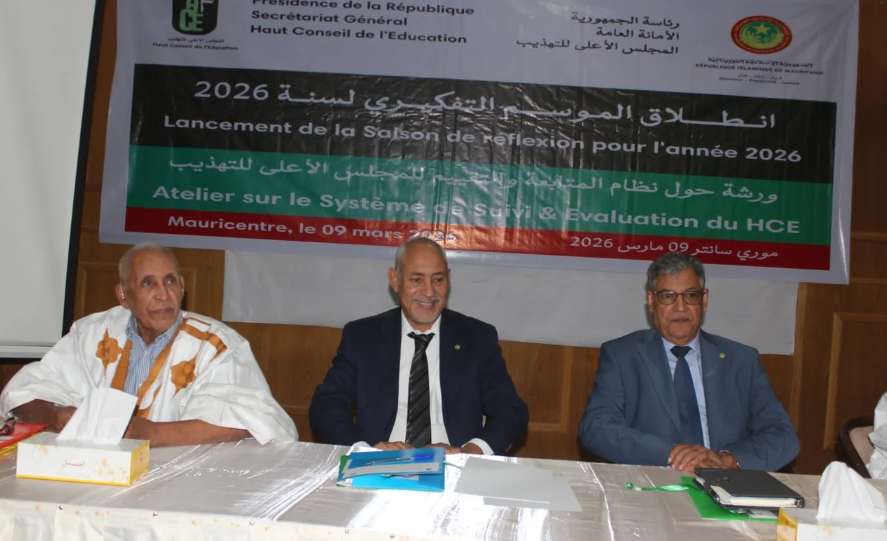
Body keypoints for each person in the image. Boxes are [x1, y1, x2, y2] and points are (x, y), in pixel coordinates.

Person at [0, 242, 297, 446]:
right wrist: (56, 415)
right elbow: (23, 394)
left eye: (170, 281)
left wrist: (153, 434)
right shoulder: (93, 333)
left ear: (182, 287)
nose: (163, 295)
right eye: (147, 283)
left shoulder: (215, 344)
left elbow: (251, 420)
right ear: (123, 295)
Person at [579, 252, 799, 472]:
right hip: (654, 479)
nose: (680, 307)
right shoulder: (623, 356)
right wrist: (674, 455)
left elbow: (783, 436)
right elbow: (597, 428)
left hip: (726, 481)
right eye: (668, 296)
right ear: (652, 301)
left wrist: (727, 459)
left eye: (691, 295)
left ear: (704, 300)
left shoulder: (741, 360)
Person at [309, 238, 528, 455]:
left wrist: (470, 450)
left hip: (454, 463)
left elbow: (510, 410)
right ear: (395, 280)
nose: (429, 292)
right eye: (416, 280)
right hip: (379, 461)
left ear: (449, 279)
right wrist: (365, 451)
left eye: (438, 279)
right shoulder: (362, 337)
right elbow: (327, 405)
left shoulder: (477, 337)